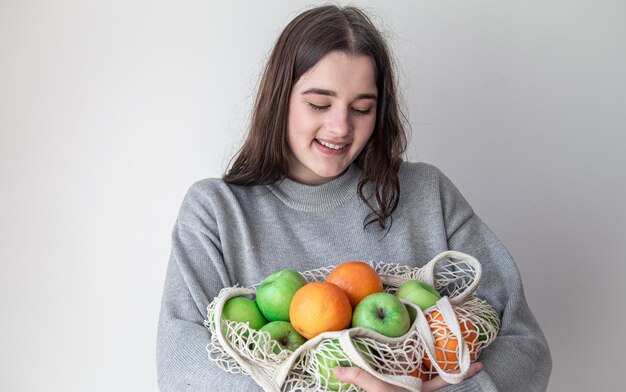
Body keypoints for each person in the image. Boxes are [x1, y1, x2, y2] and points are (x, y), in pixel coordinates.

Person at [156, 5, 552, 391]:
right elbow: (179, 365)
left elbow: (524, 343)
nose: (340, 127)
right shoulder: (216, 211)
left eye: (362, 108)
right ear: (280, 100)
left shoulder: (428, 194)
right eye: (319, 104)